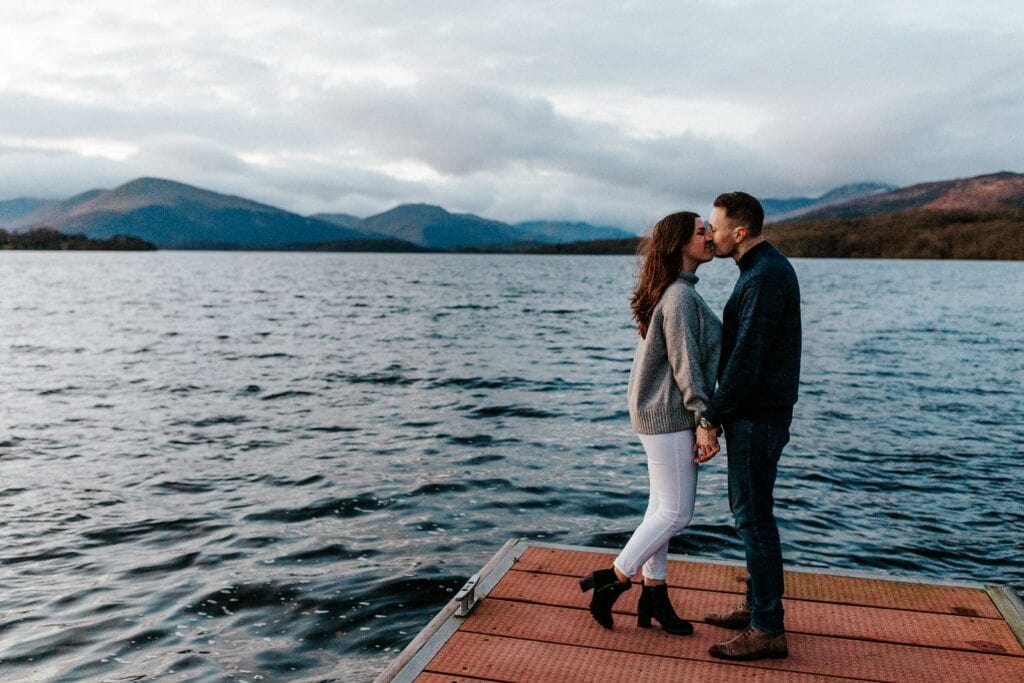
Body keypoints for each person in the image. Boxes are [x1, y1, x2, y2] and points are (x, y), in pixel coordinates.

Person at [579, 211, 722, 635]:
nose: (711, 236)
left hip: (656, 413)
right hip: (669, 416)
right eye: (702, 231)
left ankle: (654, 595)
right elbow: (686, 366)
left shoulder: (677, 291)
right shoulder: (679, 297)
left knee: (661, 508)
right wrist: (704, 420)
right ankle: (613, 580)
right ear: (681, 244)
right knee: (677, 513)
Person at [698, 191, 802, 661]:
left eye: (715, 226)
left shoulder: (763, 277)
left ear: (739, 233)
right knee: (755, 514)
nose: (710, 233)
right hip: (760, 415)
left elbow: (747, 359)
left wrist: (712, 416)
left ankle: (767, 628)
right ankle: (756, 606)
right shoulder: (762, 270)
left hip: (757, 419)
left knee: (753, 518)